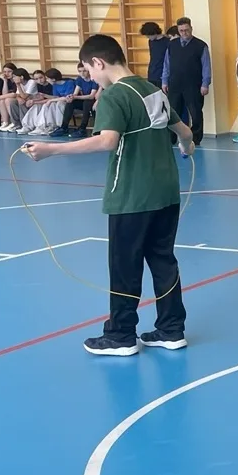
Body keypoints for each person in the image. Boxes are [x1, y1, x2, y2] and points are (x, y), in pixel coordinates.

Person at [23, 34, 193, 355]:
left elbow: (106, 141)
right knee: (163, 260)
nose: (91, 76)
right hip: (166, 192)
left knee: (124, 266)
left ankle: (120, 335)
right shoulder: (153, 89)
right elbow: (184, 132)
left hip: (131, 195)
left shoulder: (115, 95)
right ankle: (171, 329)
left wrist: (50, 150)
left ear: (98, 62)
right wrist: (187, 147)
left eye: (88, 70)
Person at [161, 17, 212, 146]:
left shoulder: (200, 45)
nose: (184, 33)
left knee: (195, 113)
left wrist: (205, 84)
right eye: (181, 31)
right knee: (173, 112)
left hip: (193, 85)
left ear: (191, 29)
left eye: (186, 30)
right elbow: (166, 64)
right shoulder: (172, 45)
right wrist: (164, 81)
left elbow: (206, 66)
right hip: (175, 84)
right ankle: (171, 138)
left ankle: (196, 138)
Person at [51, 63, 99, 137]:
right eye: (80, 71)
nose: (82, 73)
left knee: (87, 102)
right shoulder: (79, 79)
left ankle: (82, 128)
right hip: (83, 100)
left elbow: (91, 96)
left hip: (93, 102)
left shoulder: (94, 79)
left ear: (89, 71)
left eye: (84, 71)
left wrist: (75, 97)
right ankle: (64, 127)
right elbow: (75, 93)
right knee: (71, 103)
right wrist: (71, 97)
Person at [140, 22, 169, 88]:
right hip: (152, 73)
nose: (147, 37)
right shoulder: (151, 41)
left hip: (163, 74)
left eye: (148, 35)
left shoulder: (167, 41)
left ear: (154, 32)